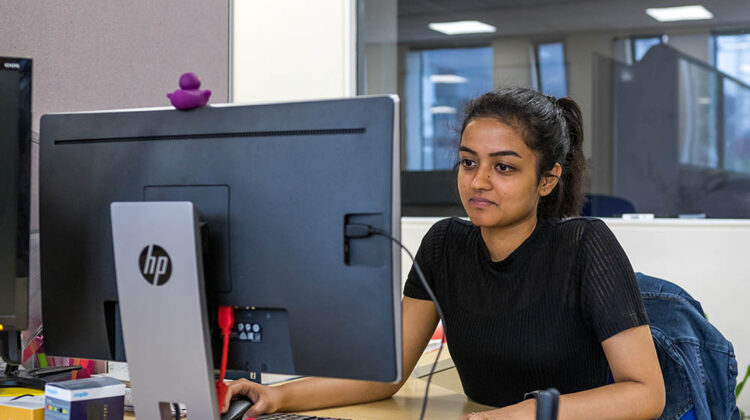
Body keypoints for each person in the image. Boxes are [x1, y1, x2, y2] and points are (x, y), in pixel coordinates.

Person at [221, 87, 666, 419]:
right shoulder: (444, 244)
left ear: (547, 180)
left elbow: (645, 392)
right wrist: (278, 396)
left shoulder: (585, 245)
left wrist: (517, 415)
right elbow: (389, 374)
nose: (478, 181)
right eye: (469, 161)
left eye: (504, 167)